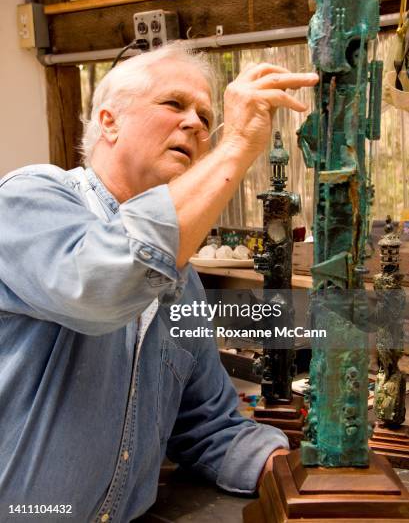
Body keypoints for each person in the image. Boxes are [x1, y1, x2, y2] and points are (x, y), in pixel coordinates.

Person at [0, 43, 318, 523]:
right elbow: (99, 284)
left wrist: (289, 473)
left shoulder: (181, 282)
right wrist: (237, 146)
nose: (195, 124)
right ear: (109, 121)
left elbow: (206, 424)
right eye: (174, 105)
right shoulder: (28, 200)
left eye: (208, 118)